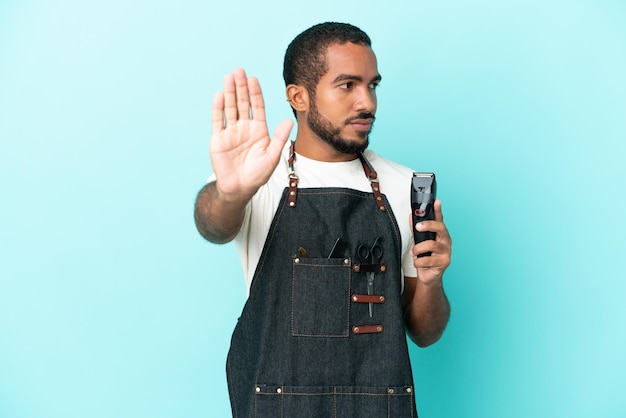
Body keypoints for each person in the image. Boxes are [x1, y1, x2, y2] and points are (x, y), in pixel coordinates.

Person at [194, 22, 451, 418]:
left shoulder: (404, 186)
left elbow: (425, 332)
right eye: (347, 85)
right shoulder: (258, 175)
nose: (367, 103)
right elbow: (212, 224)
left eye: (373, 85)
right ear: (299, 96)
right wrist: (230, 193)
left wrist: (432, 281)